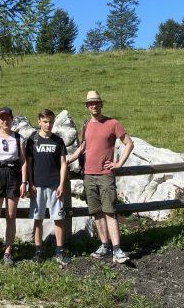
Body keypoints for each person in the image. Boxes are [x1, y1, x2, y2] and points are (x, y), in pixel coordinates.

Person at [66, 91, 134, 264]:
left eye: (96, 103)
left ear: (101, 104)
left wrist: (118, 164)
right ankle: (105, 245)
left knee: (110, 211)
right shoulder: (87, 124)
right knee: (96, 212)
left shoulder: (112, 123)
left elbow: (129, 143)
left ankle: (117, 249)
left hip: (105, 176)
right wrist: (69, 159)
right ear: (87, 106)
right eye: (90, 103)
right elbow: (84, 146)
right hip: (88, 175)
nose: (93, 105)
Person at [0, 106, 28, 266]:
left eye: (7, 118)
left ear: (11, 119)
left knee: (10, 216)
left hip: (13, 176)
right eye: (2, 118)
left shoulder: (19, 138)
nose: (5, 121)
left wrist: (24, 182)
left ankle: (8, 252)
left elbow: (23, 162)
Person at [26, 109, 72, 267]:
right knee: (37, 219)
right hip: (37, 186)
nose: (48, 124)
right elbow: (29, 164)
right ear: (39, 121)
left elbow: (63, 163)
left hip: (54, 186)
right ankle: (38, 251)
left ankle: (59, 251)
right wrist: (29, 183)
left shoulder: (58, 141)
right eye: (45, 121)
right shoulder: (32, 141)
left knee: (58, 218)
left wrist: (61, 184)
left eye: (51, 122)